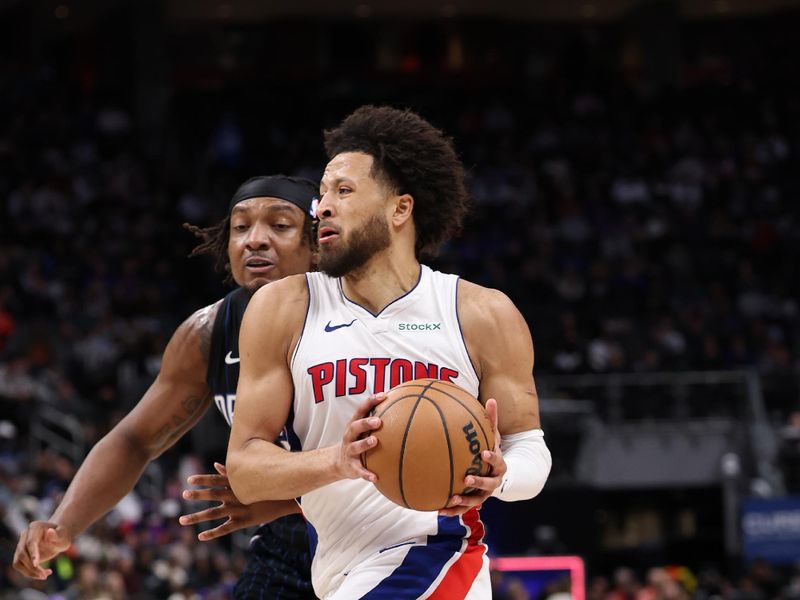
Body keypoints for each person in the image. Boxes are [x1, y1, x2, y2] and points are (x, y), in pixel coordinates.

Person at [226, 106, 553, 599]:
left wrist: (500, 476)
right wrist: (340, 460)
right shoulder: (283, 307)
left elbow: (530, 449)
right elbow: (246, 472)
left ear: (400, 209)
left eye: (343, 191)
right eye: (321, 194)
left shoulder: (481, 313)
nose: (322, 207)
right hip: (339, 574)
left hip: (439, 561)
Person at [12, 175, 319, 599]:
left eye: (280, 226)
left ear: (318, 244)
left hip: (375, 541)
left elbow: (395, 453)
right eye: (241, 227)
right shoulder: (209, 333)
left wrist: (285, 500)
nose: (256, 240)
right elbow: (135, 439)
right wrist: (63, 524)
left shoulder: (358, 323)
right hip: (285, 553)